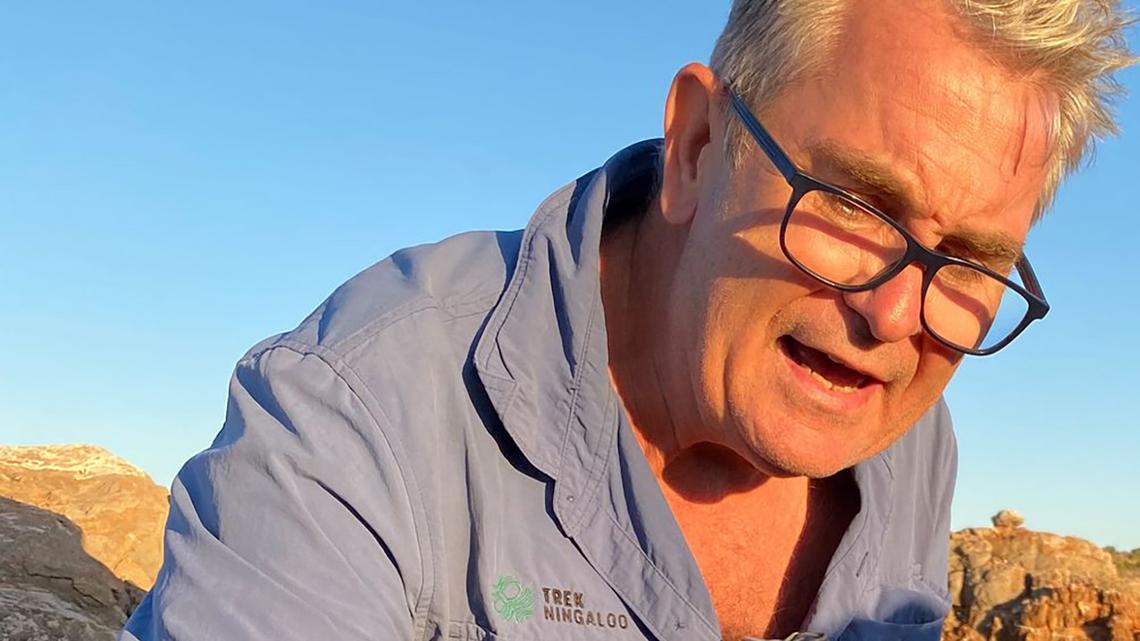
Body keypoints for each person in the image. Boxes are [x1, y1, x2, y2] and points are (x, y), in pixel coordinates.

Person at [120, 1, 1135, 640]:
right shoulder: (357, 422)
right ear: (698, 145)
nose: (893, 315)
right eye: (855, 205)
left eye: (970, 261)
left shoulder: (909, 436)